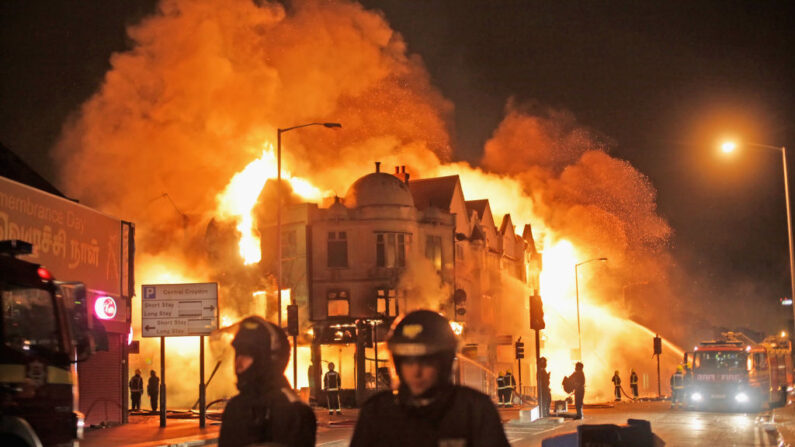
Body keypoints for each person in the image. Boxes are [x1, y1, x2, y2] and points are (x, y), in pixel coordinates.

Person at [350, 310, 510, 447]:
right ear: (398, 364)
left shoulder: (473, 410)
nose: (416, 372)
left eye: (426, 362)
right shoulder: (378, 413)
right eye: (408, 362)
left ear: (444, 363)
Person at [218, 316, 316, 447]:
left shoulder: (294, 412)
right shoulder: (235, 408)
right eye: (238, 354)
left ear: (266, 360)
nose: (238, 363)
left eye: (247, 354)